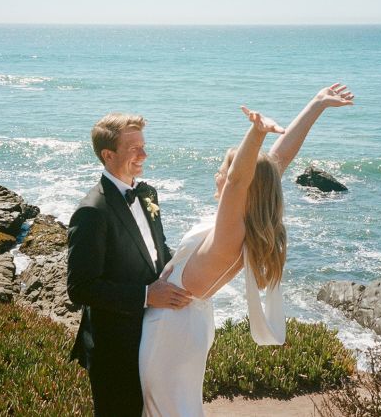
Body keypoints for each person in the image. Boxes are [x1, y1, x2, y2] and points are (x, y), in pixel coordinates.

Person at [139, 83, 355, 417]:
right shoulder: (246, 225)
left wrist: (255, 133)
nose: (218, 174)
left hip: (170, 331)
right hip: (187, 326)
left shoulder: (230, 234)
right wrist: (315, 104)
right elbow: (276, 161)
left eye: (224, 170)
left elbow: (241, 179)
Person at [67, 113, 193, 417]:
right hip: (115, 347)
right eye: (134, 149)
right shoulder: (91, 212)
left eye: (144, 146)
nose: (144, 155)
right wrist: (147, 296)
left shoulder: (147, 193)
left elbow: (156, 249)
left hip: (154, 333)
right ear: (108, 155)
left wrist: (187, 271)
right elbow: (80, 288)